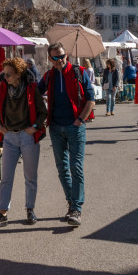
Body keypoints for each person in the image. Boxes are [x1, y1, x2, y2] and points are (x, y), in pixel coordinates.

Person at [38, 42, 95, 226]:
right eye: (55, 57)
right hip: (55, 127)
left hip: (75, 126)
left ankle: (76, 208)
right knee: (62, 168)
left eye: (61, 56)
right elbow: (34, 93)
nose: (59, 60)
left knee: (75, 166)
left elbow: (91, 99)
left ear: (66, 55)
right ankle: (72, 203)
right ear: (50, 58)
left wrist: (80, 120)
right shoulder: (48, 76)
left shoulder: (79, 72)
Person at [0, 57, 48, 229]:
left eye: (9, 74)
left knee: (30, 177)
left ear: (18, 74)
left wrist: (34, 127)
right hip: (10, 138)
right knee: (6, 178)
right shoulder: (4, 89)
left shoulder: (31, 89)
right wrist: (0, 124)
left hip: (27, 136)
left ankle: (30, 209)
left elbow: (43, 112)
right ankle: (2, 213)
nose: (5, 77)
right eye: (4, 74)